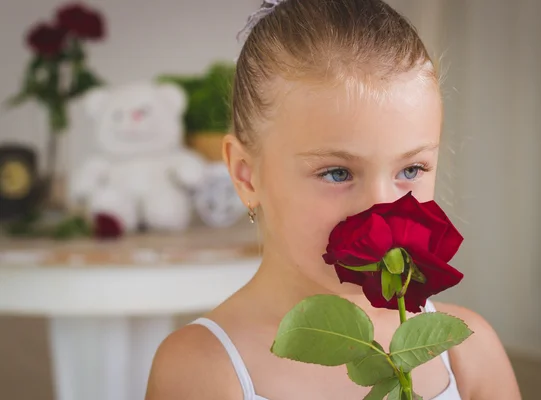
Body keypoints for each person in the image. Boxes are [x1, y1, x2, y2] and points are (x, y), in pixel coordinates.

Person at [145, 0, 521, 399]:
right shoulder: (201, 370)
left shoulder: (468, 354)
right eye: (337, 173)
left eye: (410, 170)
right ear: (245, 174)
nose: (381, 213)